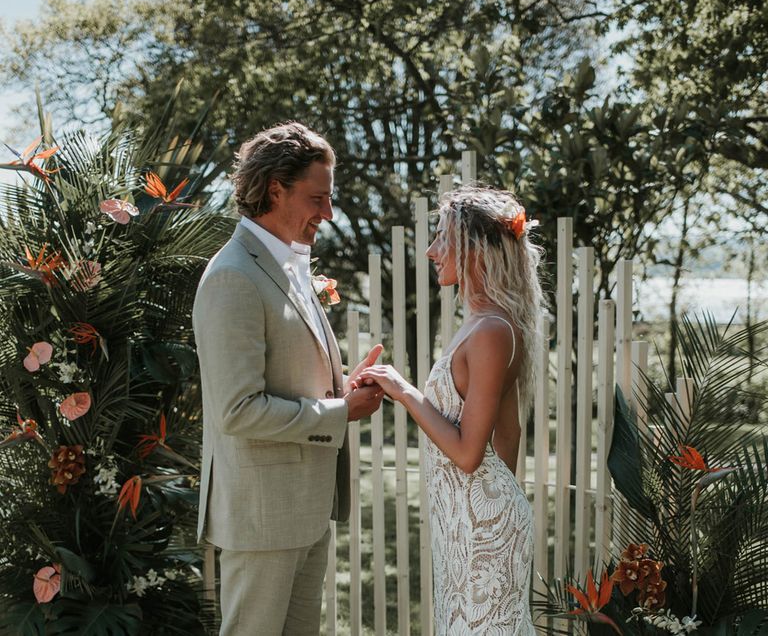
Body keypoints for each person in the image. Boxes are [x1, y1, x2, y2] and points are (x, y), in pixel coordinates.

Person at [192, 121, 384, 635]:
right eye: (317, 198)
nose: (327, 213)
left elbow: (287, 384)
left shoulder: (289, 267)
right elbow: (237, 410)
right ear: (275, 189)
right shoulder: (234, 275)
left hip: (304, 510)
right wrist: (342, 412)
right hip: (261, 521)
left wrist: (342, 389)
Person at [354, 186, 542, 634]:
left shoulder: (493, 330)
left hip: (481, 527)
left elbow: (468, 454)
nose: (431, 250)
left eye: (442, 238)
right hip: (468, 522)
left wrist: (403, 389)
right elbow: (510, 433)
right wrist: (479, 511)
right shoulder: (482, 322)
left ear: (476, 249)